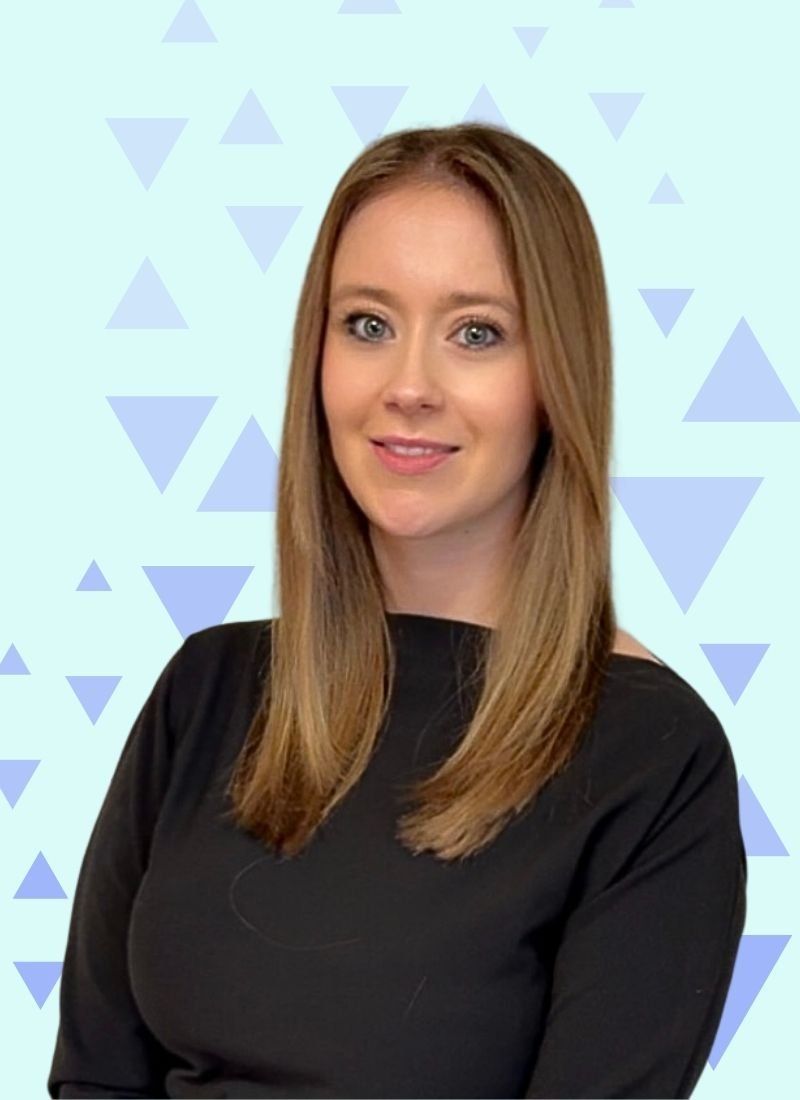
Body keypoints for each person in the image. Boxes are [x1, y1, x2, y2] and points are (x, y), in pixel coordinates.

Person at [47, 122, 746, 1099]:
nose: (407, 385)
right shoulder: (203, 691)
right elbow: (95, 1079)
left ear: (556, 375)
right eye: (367, 323)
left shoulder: (651, 754)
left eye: (475, 332)